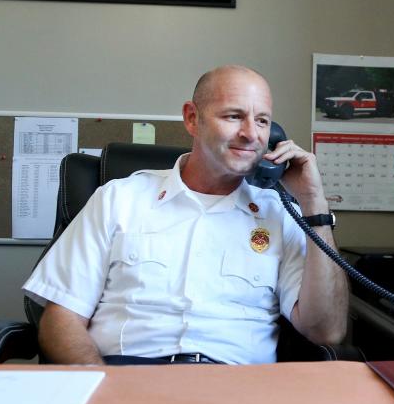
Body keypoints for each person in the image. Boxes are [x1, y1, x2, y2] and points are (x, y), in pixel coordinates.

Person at [23, 65, 349, 365]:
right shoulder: (118, 199)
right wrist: (99, 387)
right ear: (192, 118)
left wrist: (313, 204)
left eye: (262, 120)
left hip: (237, 388)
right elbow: (62, 317)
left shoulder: (280, 213)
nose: (252, 134)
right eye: (234, 116)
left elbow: (326, 331)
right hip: (126, 376)